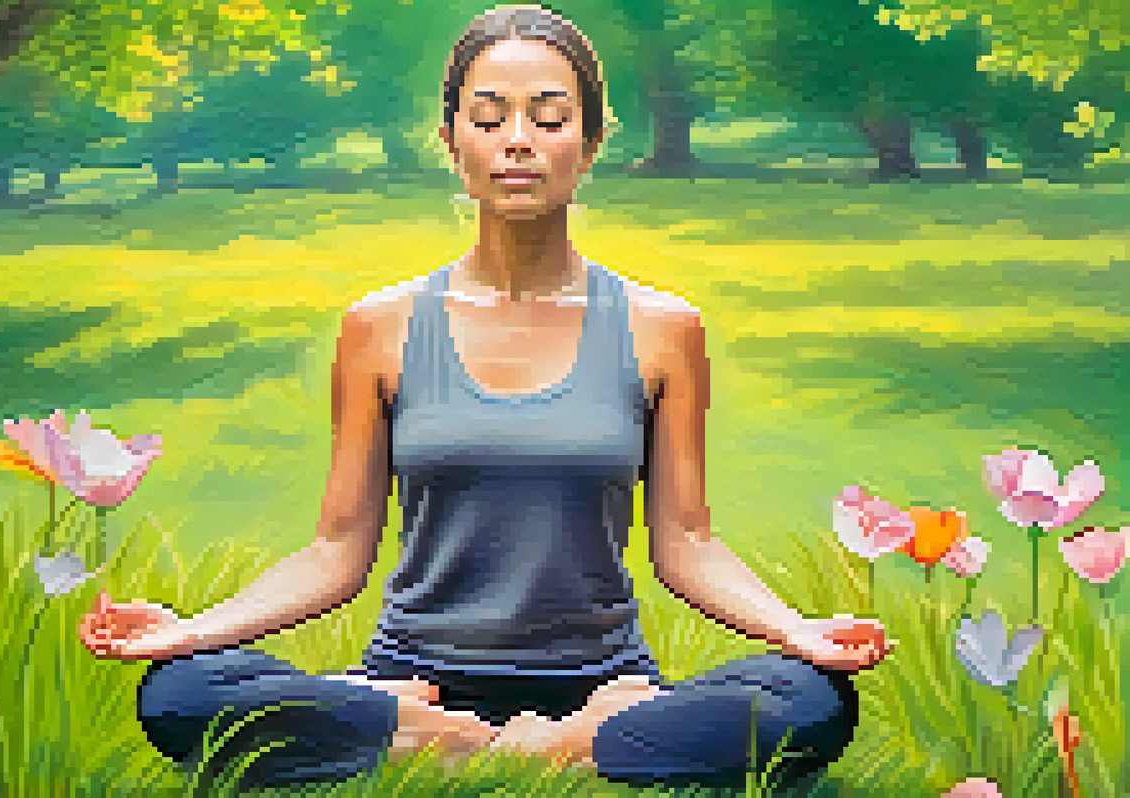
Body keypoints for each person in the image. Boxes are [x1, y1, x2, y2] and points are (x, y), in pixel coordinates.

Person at [79, 4, 892, 793]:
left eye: (550, 117)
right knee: (180, 692)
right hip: (413, 677)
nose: (518, 141)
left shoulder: (663, 328)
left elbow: (686, 542)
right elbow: (335, 552)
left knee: (811, 702)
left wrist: (797, 633)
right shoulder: (380, 327)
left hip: (603, 681)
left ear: (590, 142)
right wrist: (190, 632)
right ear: (452, 141)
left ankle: (562, 738)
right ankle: (447, 731)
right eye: (490, 117)